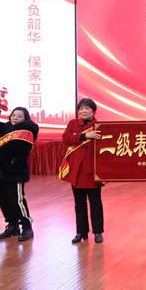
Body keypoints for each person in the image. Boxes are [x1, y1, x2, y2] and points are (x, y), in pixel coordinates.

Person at [0, 106, 39, 241]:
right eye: (13, 115)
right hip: (1, 170)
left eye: (19, 116)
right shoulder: (7, 128)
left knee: (17, 200)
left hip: (15, 170)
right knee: (3, 200)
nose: (15, 118)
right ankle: (12, 226)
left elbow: (14, 148)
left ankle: (27, 226)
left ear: (25, 119)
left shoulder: (27, 130)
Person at [60, 98, 105, 244]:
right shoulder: (73, 123)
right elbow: (66, 138)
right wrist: (84, 136)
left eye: (87, 108)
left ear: (93, 111)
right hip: (77, 171)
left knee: (95, 203)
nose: (83, 111)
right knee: (79, 203)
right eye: (81, 108)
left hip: (93, 171)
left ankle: (98, 232)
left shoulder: (100, 126)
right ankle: (81, 232)